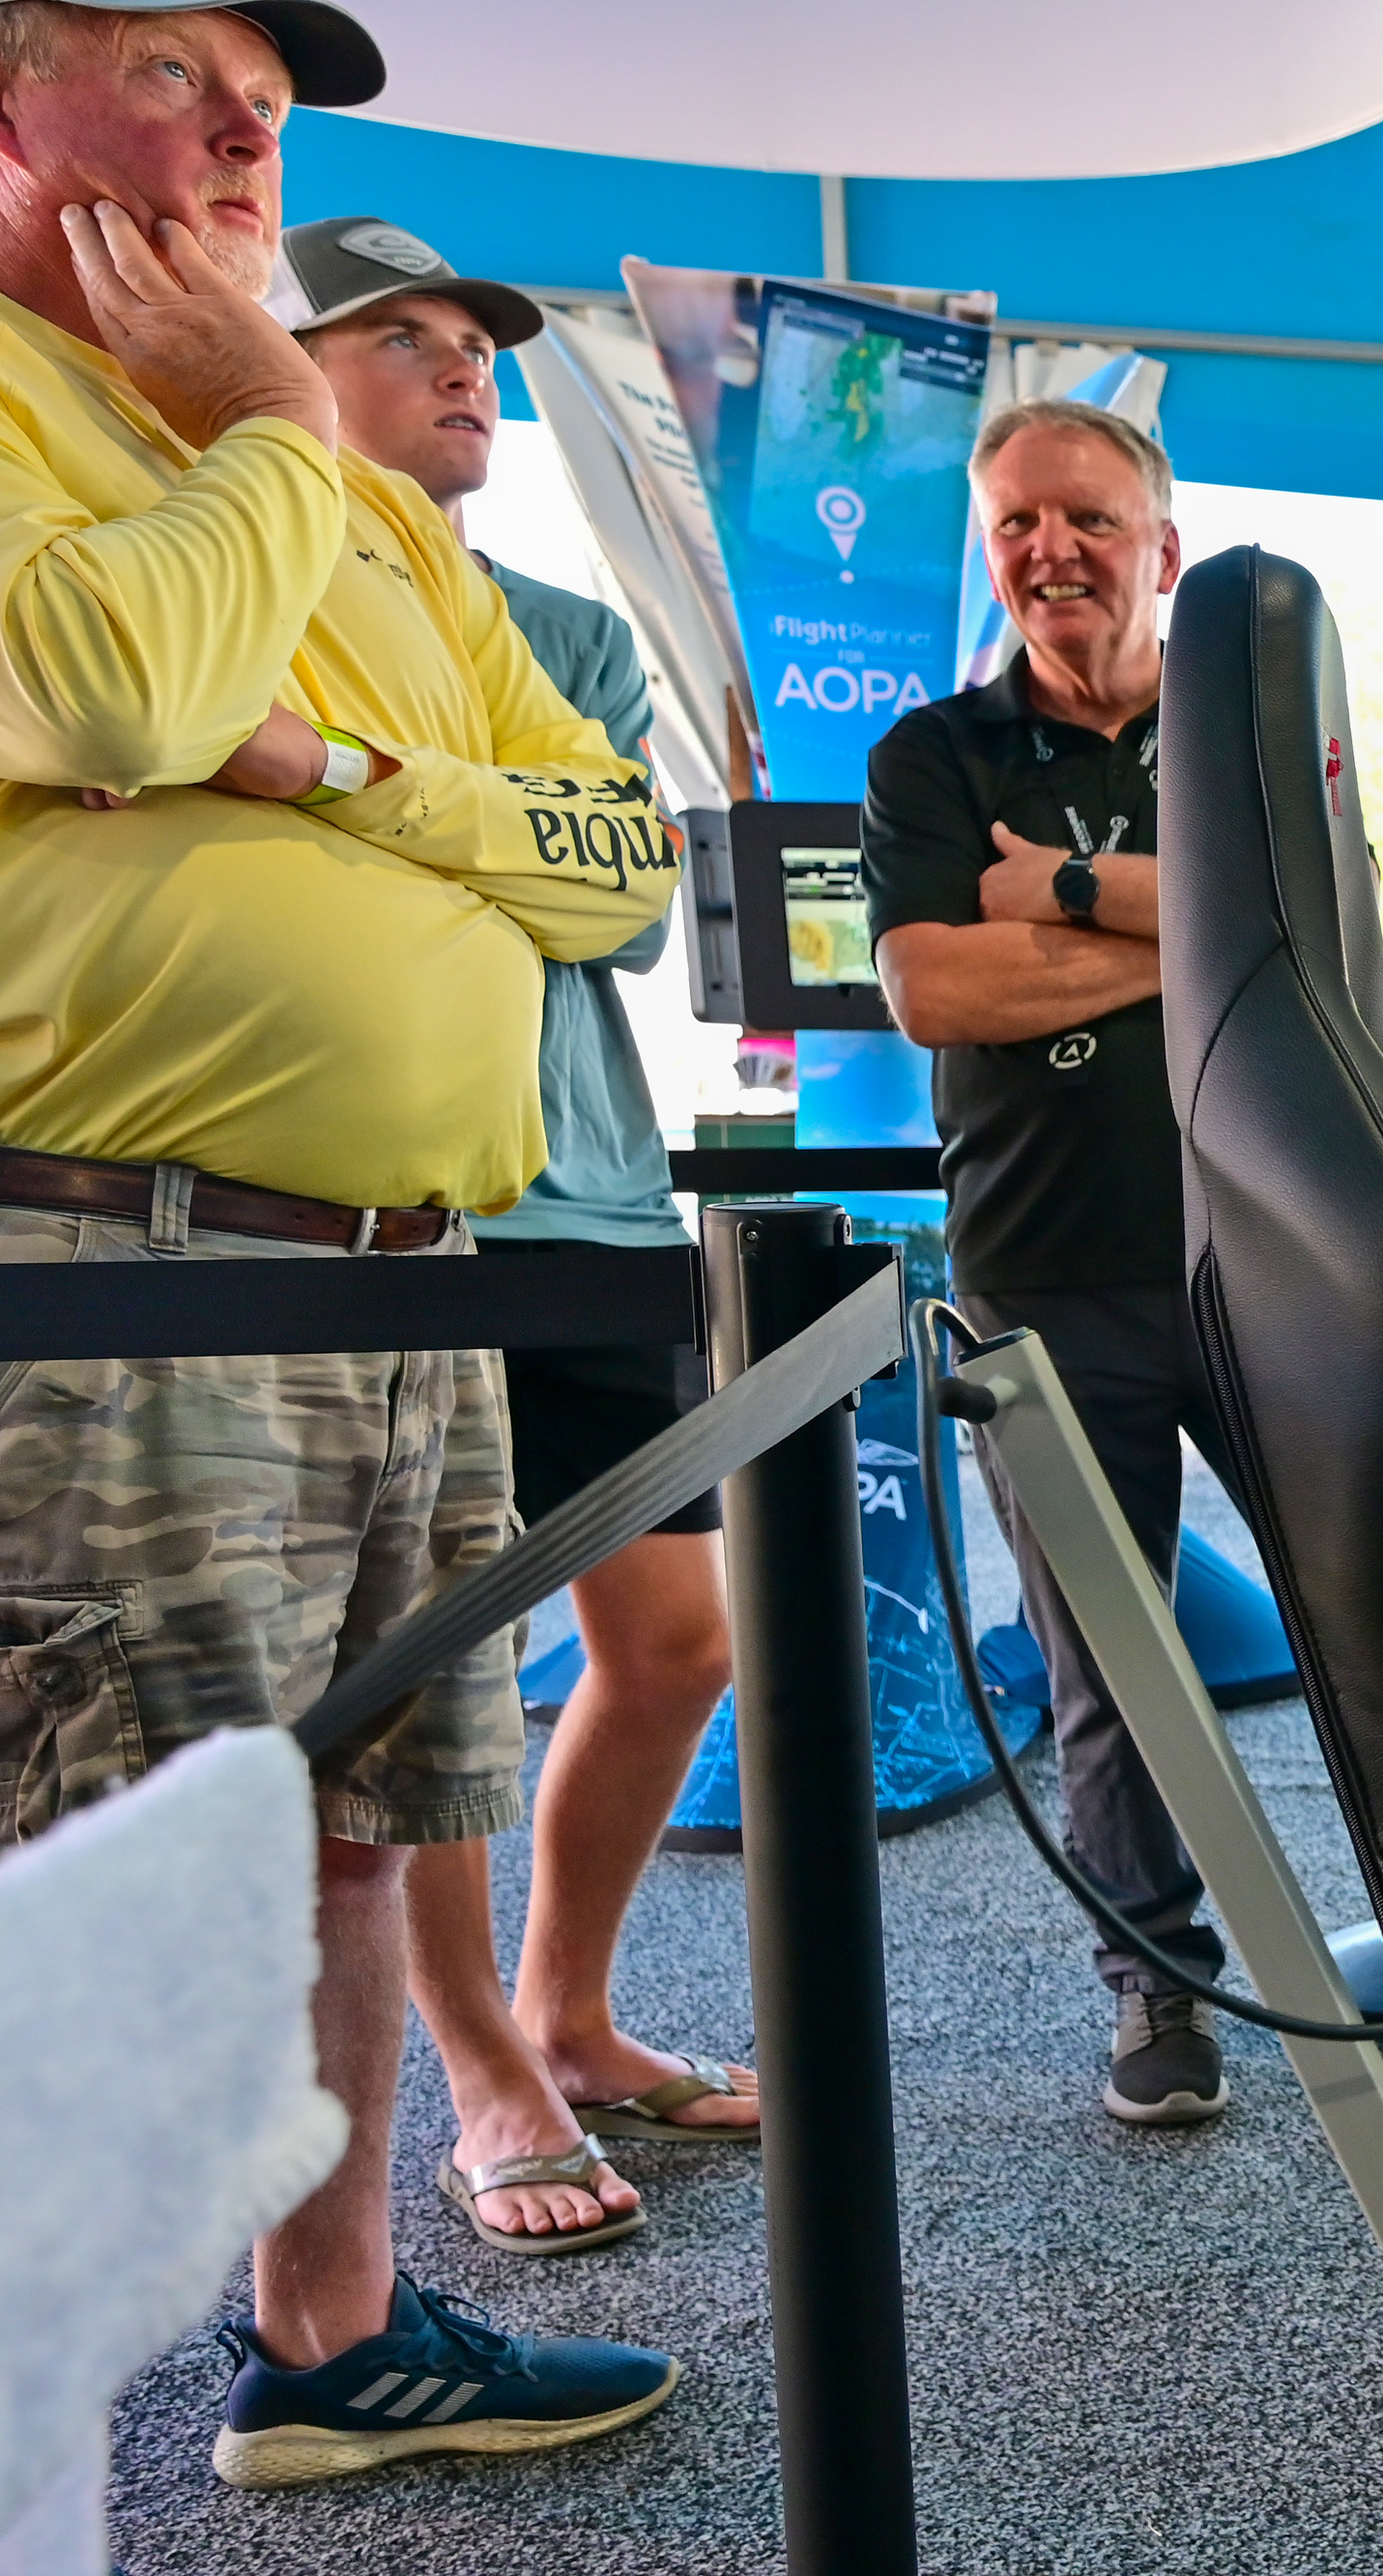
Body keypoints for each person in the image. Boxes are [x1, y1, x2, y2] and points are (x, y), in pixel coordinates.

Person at [0, 1, 678, 2482]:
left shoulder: (394, 535)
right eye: (174, 61)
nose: (249, 117)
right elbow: (112, 670)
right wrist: (280, 437)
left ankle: (340, 2336)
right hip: (110, 1268)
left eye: (265, 87)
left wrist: (336, 768)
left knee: (366, 1819)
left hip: (415, 1274)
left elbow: (620, 866)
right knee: (83, 1858)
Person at [278, 212, 758, 2261]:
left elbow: (623, 904)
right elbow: (345, 881)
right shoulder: (266, 593)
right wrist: (487, 816)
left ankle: (568, 2004)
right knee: (439, 1682)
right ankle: (484, 2067)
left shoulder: (565, 627)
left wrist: (382, 787)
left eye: (475, 342)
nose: (467, 367)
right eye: (405, 340)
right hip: (397, 1213)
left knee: (677, 1643)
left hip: (587, 1197)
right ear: (292, 373)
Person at [865, 399, 1232, 2126]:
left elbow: (1326, 923)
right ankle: (1155, 1979)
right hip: (1042, 1268)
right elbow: (937, 991)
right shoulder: (934, 757)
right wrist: (1200, 930)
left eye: (1085, 518)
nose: (1049, 551)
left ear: (1161, 549)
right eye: (1017, 523)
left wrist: (1065, 894)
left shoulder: (1249, 729)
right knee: (1106, 1650)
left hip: (1271, 1258)